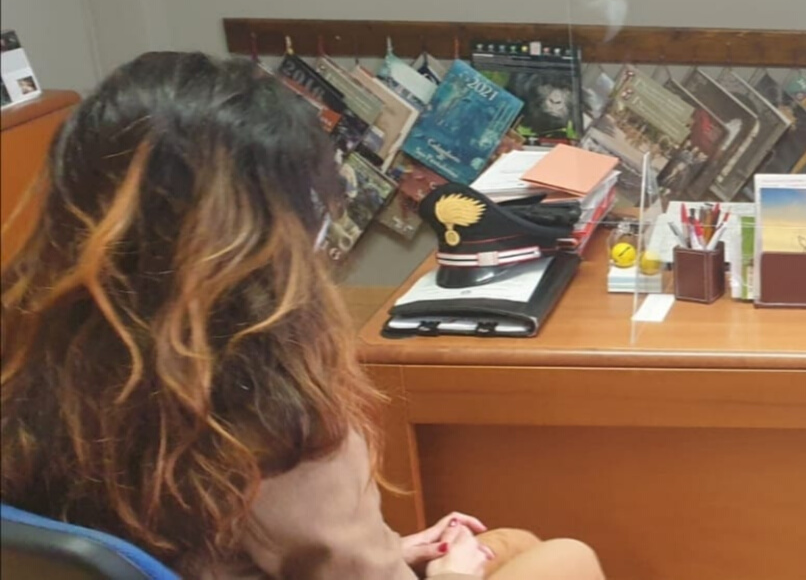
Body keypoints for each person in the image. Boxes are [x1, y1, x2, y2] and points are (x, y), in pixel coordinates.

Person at [0, 52, 604, 580]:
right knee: (563, 559)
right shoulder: (267, 409)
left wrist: (390, 550)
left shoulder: (32, 343)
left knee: (512, 546)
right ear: (270, 234)